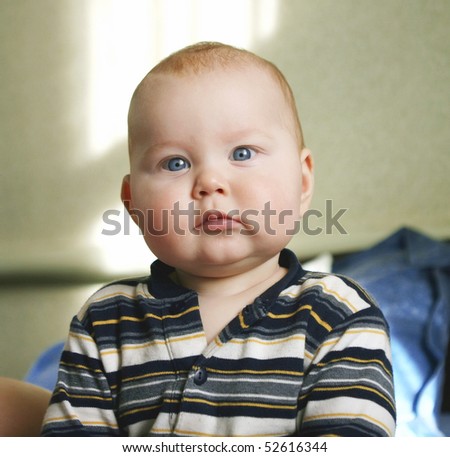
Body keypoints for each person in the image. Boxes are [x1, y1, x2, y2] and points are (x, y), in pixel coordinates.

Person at [41, 42, 396, 436]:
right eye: (175, 163)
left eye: (242, 153)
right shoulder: (106, 321)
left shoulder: (337, 314)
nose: (210, 182)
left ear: (303, 181)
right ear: (132, 203)